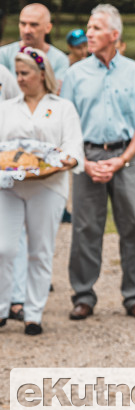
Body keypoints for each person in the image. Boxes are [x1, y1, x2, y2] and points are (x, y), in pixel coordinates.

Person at [62, 4, 135, 321]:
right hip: (87, 156)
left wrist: (121, 160)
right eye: (88, 28)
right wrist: (85, 162)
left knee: (134, 225)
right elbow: (67, 126)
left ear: (114, 35)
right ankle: (83, 295)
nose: (88, 34)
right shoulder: (75, 74)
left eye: (95, 28)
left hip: (127, 157)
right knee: (85, 228)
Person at [0, 48, 83, 335]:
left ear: (41, 75)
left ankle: (33, 313)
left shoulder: (62, 107)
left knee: (40, 250)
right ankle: (2, 306)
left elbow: (72, 145)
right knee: (4, 248)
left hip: (48, 186)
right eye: (18, 73)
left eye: (25, 74)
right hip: (9, 186)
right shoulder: (7, 108)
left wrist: (70, 159)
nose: (19, 79)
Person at [0, 3, 70, 81]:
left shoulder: (59, 60)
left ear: (48, 28)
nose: (27, 30)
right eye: (23, 24)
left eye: (34, 25)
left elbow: (56, 91)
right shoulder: (3, 54)